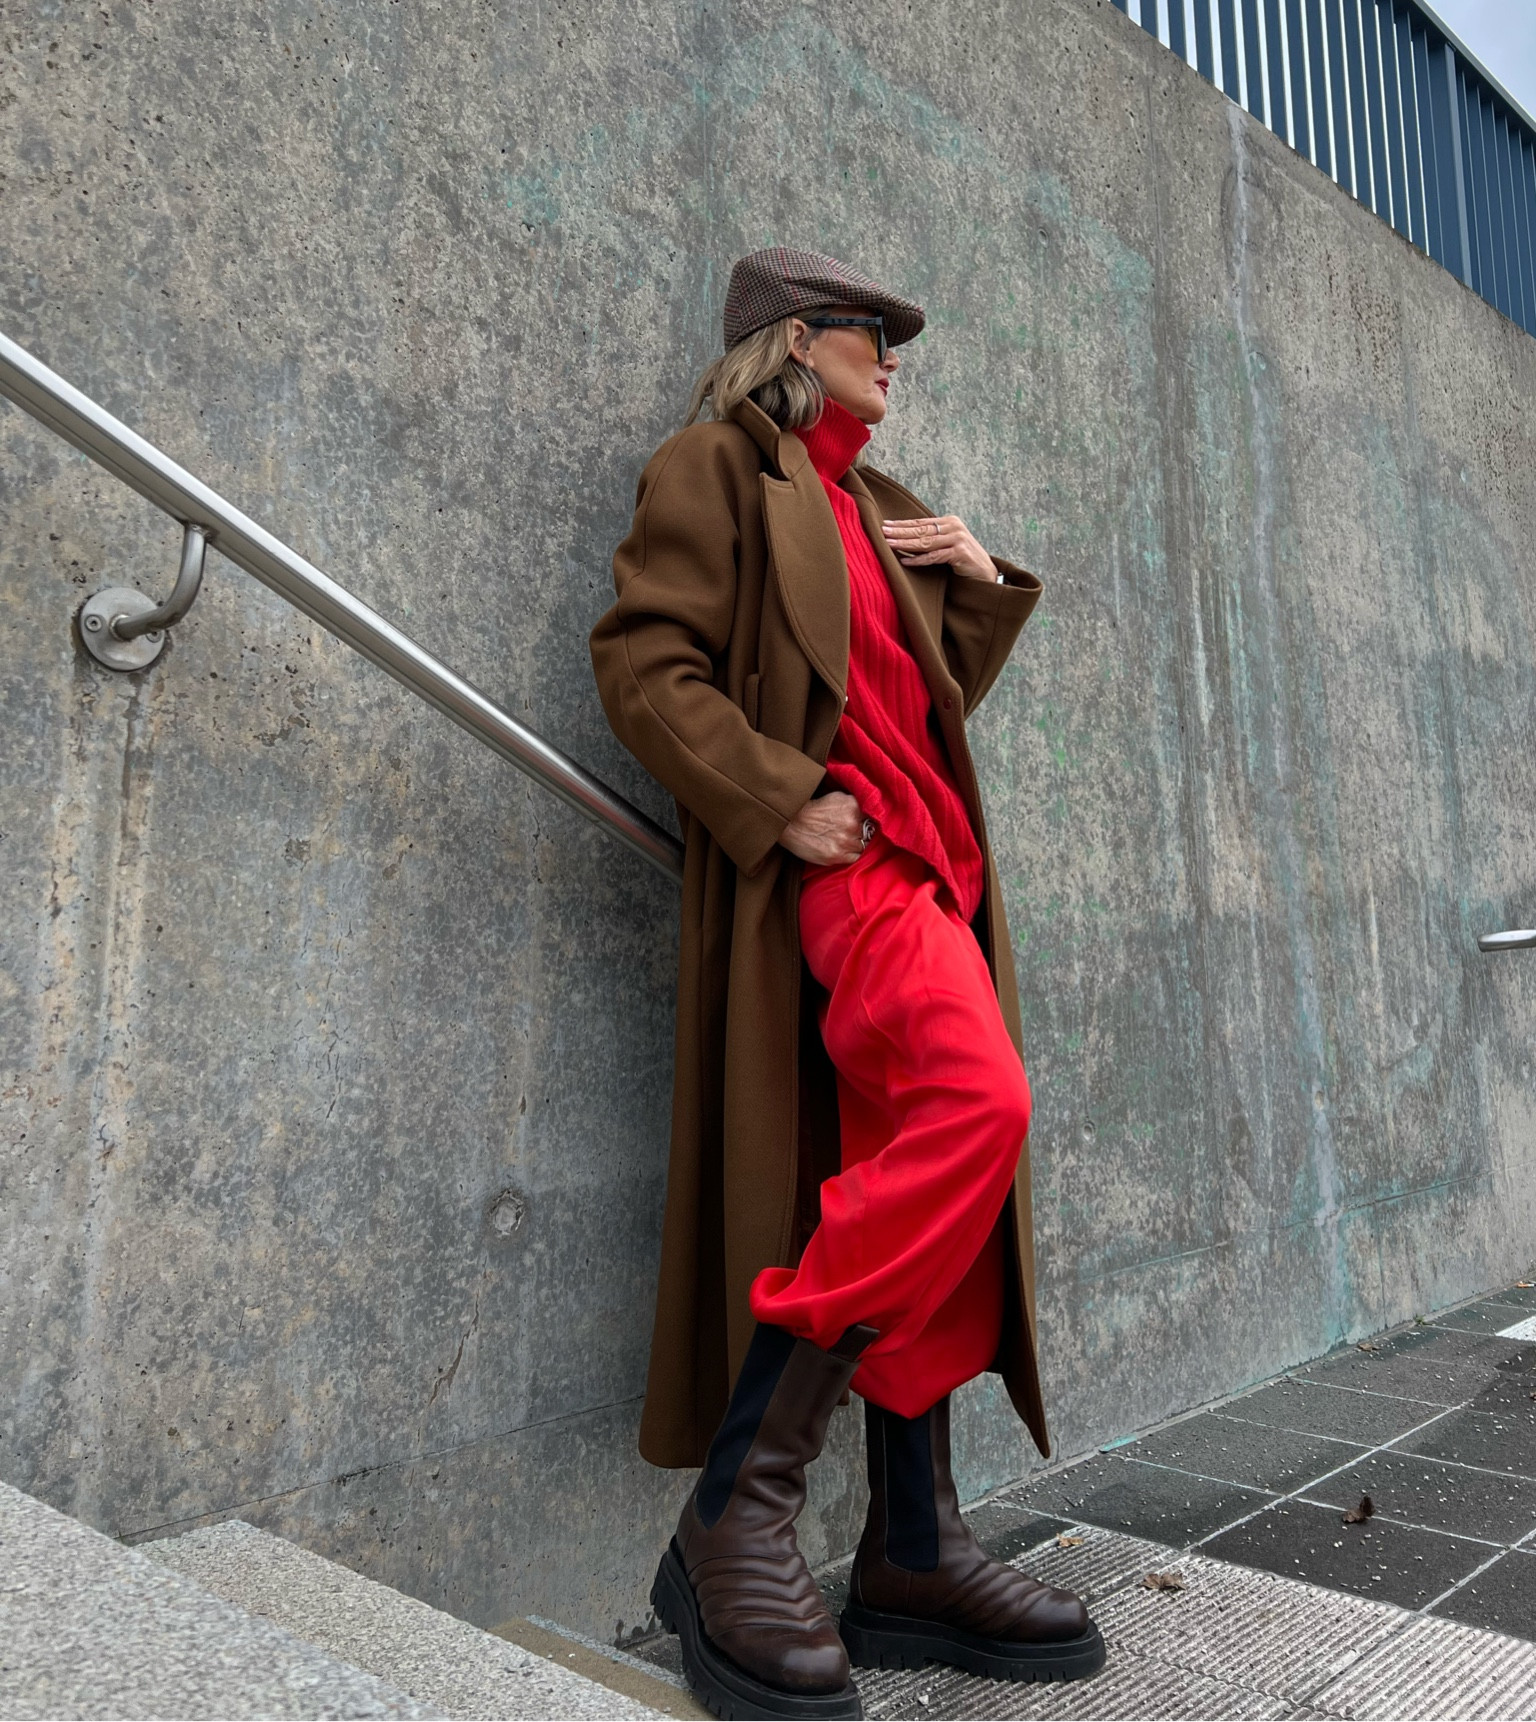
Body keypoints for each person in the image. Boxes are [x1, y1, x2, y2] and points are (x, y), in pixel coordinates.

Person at [590, 246, 1103, 1720]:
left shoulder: (876, 512)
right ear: (794, 340)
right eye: (876, 335)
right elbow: (645, 662)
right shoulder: (719, 468)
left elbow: (902, 707)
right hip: (849, 875)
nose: (897, 360)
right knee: (972, 1103)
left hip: (935, 878)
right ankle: (739, 1510)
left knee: (908, 1170)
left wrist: (973, 584)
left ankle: (915, 1542)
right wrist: (780, 794)